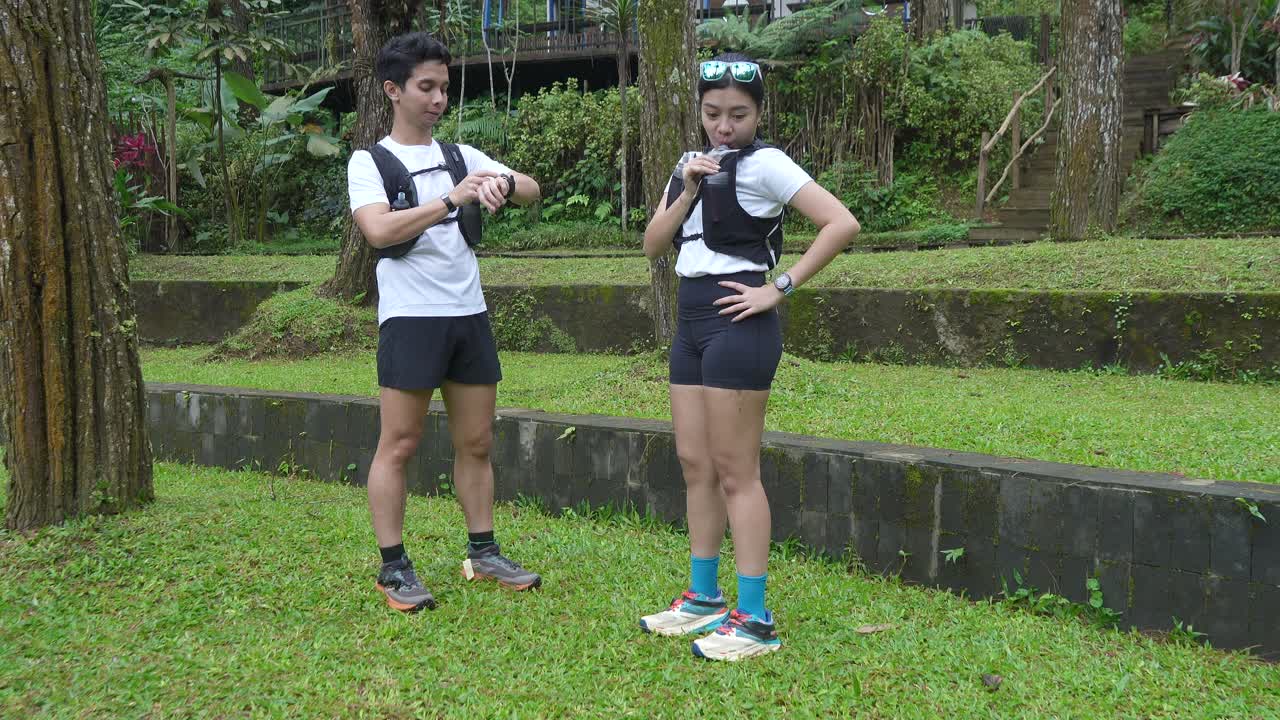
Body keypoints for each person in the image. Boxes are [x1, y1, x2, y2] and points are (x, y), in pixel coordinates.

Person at [640, 53, 861, 660]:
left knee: (737, 470)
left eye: (738, 114)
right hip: (689, 321)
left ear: (759, 113)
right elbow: (653, 244)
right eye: (713, 114)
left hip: (739, 319)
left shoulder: (768, 164)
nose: (724, 126)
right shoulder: (689, 166)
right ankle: (704, 598)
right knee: (695, 462)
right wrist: (685, 188)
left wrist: (779, 287)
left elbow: (841, 223)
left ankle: (755, 616)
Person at [347, 32, 542, 612]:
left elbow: (531, 188)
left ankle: (483, 552)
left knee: (477, 442)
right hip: (410, 319)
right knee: (400, 442)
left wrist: (502, 183)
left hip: (468, 314)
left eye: (444, 88)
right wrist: (453, 201)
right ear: (393, 90)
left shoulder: (462, 155)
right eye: (425, 87)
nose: (437, 99)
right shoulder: (371, 160)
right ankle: (393, 567)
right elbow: (379, 231)